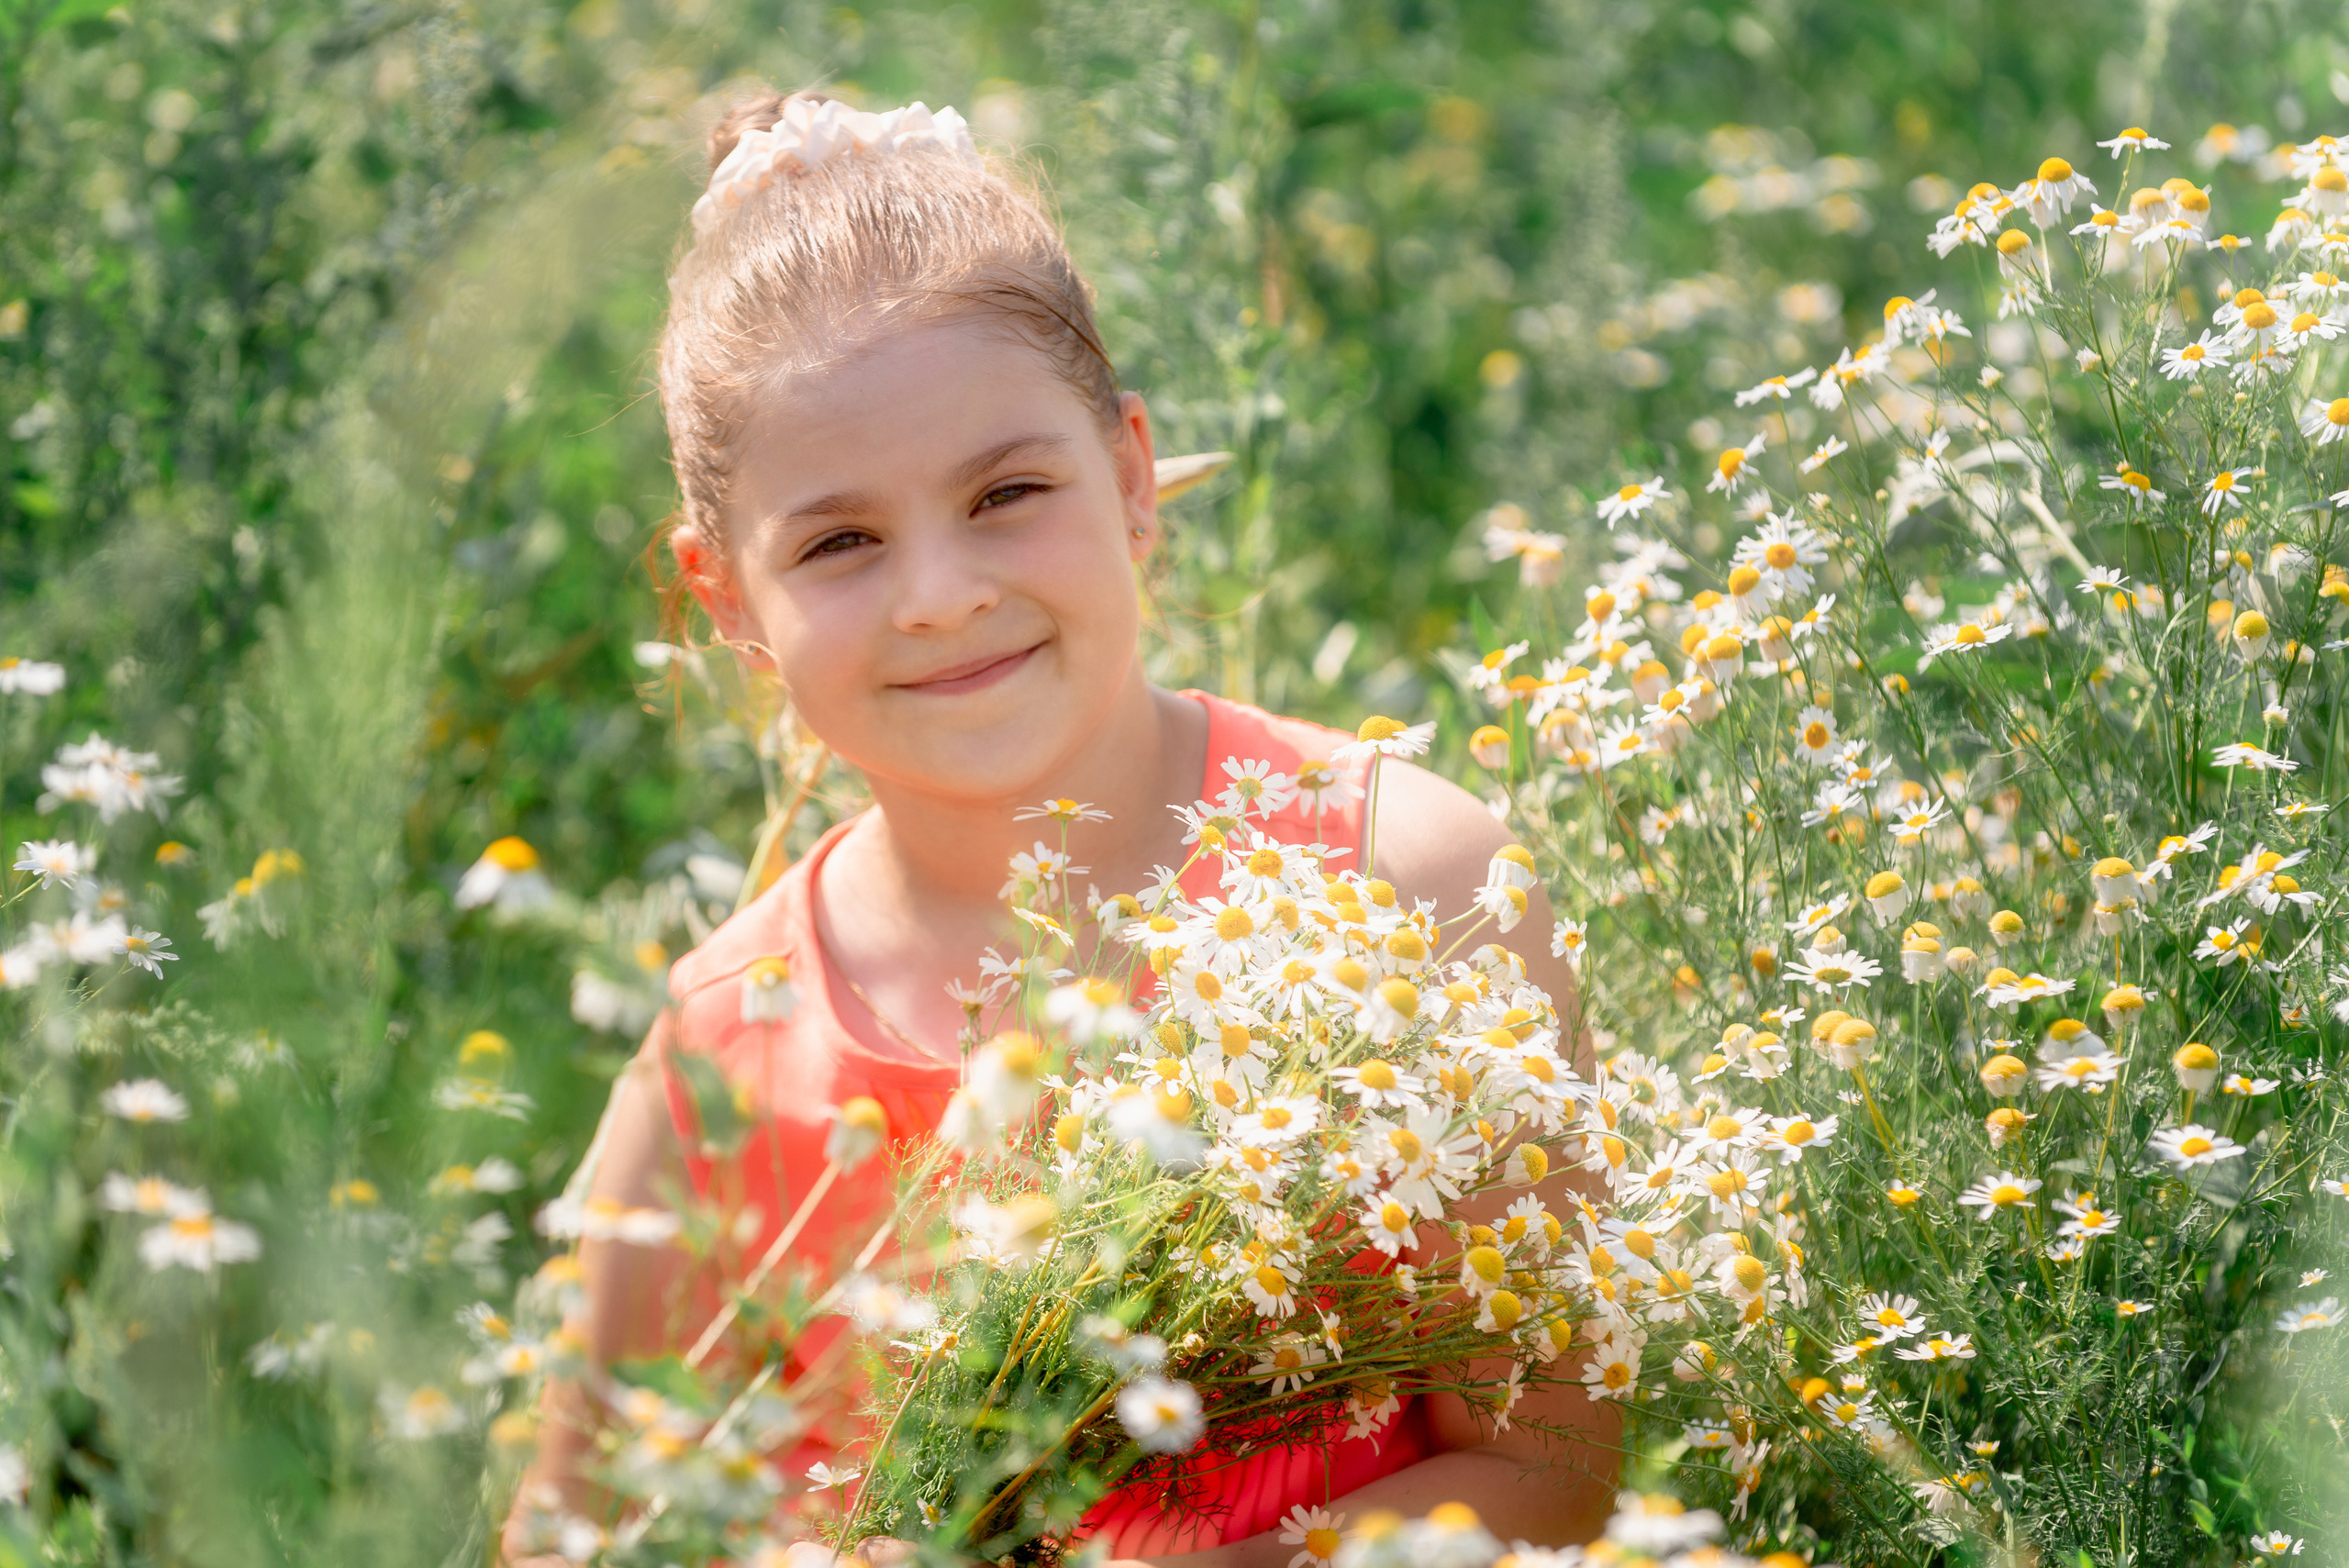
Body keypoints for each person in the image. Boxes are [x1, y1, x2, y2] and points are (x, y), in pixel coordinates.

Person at [505, 89, 1615, 1567]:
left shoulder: (1409, 889)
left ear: (1133, 474)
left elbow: (1551, 1469)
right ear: (726, 599)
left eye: (1007, 492)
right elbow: (567, 1537)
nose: (942, 594)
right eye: (841, 541)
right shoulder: (714, 1063)